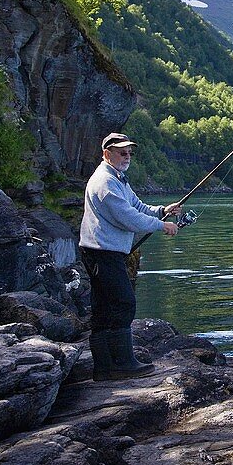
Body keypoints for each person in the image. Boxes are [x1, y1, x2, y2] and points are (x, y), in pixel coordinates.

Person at [79, 132, 181, 380]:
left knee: (104, 308)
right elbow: (128, 217)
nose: (127, 157)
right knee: (123, 303)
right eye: (121, 152)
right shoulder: (105, 182)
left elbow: (137, 206)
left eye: (129, 153)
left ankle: (104, 368)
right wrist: (162, 226)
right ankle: (122, 363)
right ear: (107, 154)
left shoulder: (118, 179)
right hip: (102, 253)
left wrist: (161, 211)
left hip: (106, 252)